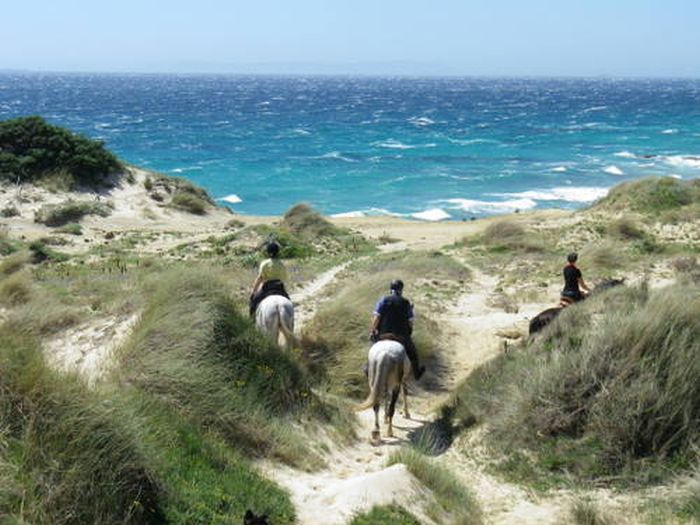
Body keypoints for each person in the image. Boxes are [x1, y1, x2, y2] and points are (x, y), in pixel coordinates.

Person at [370, 279, 426, 380]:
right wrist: (409, 331)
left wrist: (373, 330)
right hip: (401, 336)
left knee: (373, 349)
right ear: (401, 290)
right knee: (413, 353)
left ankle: (367, 368)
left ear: (390, 289)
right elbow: (410, 322)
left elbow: (377, 317)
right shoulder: (406, 302)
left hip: (384, 335)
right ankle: (417, 373)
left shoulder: (383, 300)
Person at [249, 241, 290, 317]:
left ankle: (251, 320)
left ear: (268, 252)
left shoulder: (264, 263)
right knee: (289, 302)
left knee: (254, 301)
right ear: (278, 252)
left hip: (267, 287)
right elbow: (284, 278)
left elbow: (260, 278)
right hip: (279, 287)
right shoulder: (282, 264)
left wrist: (253, 291)